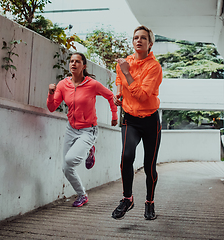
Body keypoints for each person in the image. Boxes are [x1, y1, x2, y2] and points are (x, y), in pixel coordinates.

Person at [47, 52, 118, 207]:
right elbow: (52, 107)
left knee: (70, 159)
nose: (73, 64)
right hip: (71, 128)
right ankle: (82, 195)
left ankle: (88, 150)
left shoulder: (92, 84)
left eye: (77, 61)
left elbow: (110, 95)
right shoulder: (63, 85)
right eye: (71, 61)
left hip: (88, 130)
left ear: (83, 66)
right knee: (66, 168)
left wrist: (114, 115)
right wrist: (51, 94)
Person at [111, 25, 163, 220]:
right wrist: (118, 96)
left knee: (149, 165)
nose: (138, 40)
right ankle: (127, 198)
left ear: (150, 43)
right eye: (135, 38)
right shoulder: (124, 63)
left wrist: (127, 73)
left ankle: (149, 202)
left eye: (143, 38)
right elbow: (118, 79)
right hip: (130, 119)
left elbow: (141, 96)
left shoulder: (154, 67)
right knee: (126, 156)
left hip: (150, 121)